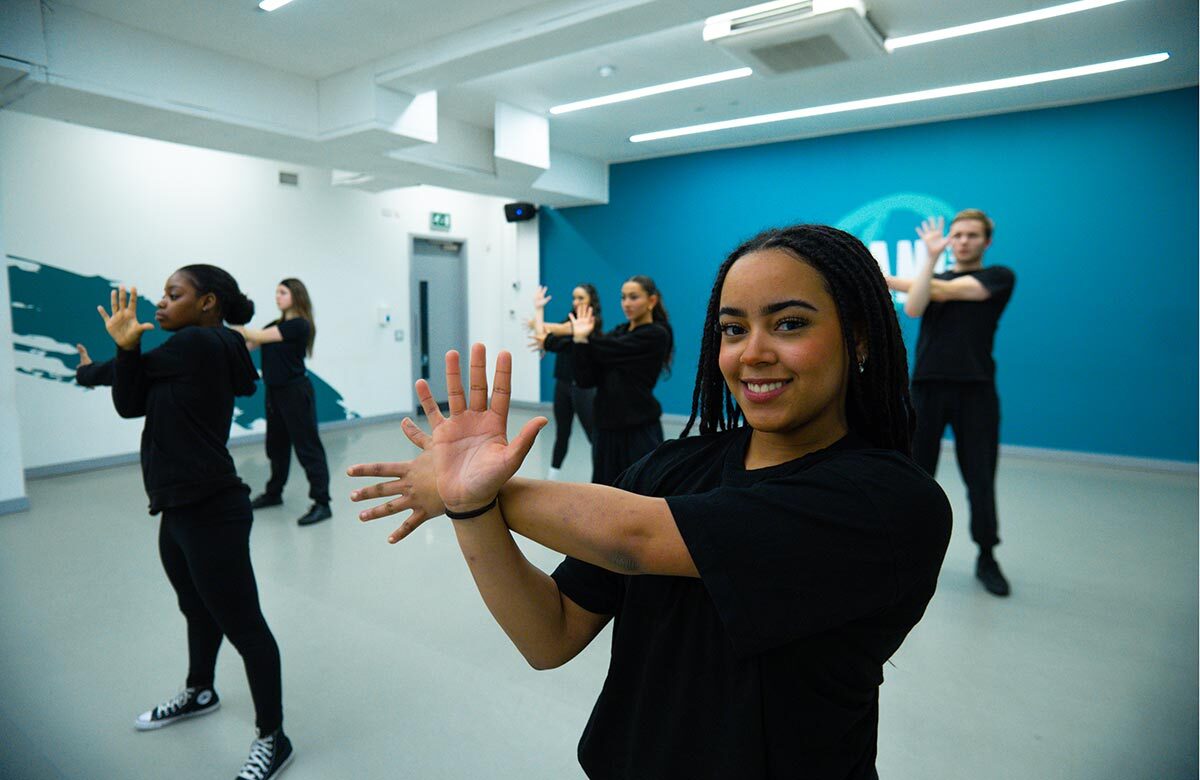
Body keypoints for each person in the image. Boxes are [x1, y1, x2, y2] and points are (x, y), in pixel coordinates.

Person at [348, 225, 952, 779]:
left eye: (790, 324)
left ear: (860, 336)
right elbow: (549, 634)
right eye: (733, 329)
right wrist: (472, 512)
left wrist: (471, 490)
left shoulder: (891, 504)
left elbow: (635, 541)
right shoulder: (672, 466)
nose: (752, 353)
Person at [97, 268, 293, 780]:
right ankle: (201, 690)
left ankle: (274, 737)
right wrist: (117, 358)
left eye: (172, 295)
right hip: (180, 508)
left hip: (211, 511)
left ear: (207, 303)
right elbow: (131, 397)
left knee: (246, 628)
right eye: (162, 295)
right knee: (197, 609)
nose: (160, 303)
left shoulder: (199, 343)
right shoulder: (199, 349)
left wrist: (120, 355)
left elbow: (127, 391)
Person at [885, 210, 1016, 597]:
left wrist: (893, 279)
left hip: (975, 392)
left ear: (986, 242)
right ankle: (907, 554)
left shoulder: (998, 278)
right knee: (916, 475)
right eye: (957, 235)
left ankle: (987, 556)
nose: (962, 241)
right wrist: (928, 258)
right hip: (926, 388)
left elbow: (949, 292)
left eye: (972, 235)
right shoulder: (933, 276)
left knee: (980, 476)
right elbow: (914, 307)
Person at [237, 278, 332, 527]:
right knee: (276, 446)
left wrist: (236, 317)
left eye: (282, 292)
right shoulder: (275, 325)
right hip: (274, 393)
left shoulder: (300, 325)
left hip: (296, 392)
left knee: (307, 447)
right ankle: (274, 493)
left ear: (296, 295)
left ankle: (322, 503)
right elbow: (249, 344)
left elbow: (254, 334)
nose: (277, 297)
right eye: (276, 292)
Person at [568, 275, 672, 485]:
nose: (626, 303)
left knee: (641, 491)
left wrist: (585, 340)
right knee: (605, 494)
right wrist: (579, 340)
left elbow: (606, 349)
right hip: (606, 429)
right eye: (623, 297)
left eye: (634, 297)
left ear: (651, 301)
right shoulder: (618, 332)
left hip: (638, 429)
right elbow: (586, 379)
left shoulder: (656, 334)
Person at [527, 284, 600, 480]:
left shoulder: (590, 325)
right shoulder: (569, 320)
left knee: (594, 437)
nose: (576, 302)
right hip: (563, 385)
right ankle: (552, 478)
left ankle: (604, 479)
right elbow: (544, 335)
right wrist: (538, 313)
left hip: (583, 389)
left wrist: (539, 315)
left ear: (591, 300)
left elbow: (551, 329)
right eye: (574, 298)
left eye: (581, 298)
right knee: (562, 433)